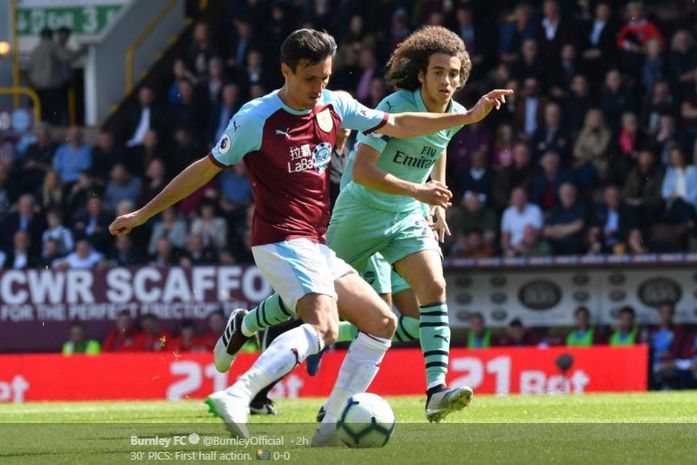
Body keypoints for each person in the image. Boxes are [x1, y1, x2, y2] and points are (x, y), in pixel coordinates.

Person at [109, 28, 513, 443]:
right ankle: (239, 393)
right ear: (286, 71)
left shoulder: (335, 103)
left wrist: (464, 118)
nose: (318, 88)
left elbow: (401, 124)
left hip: (316, 242)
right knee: (325, 327)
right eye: (309, 79)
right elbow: (205, 167)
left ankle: (330, 423)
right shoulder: (255, 118)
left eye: (325, 77)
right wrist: (143, 213)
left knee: (383, 322)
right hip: (279, 239)